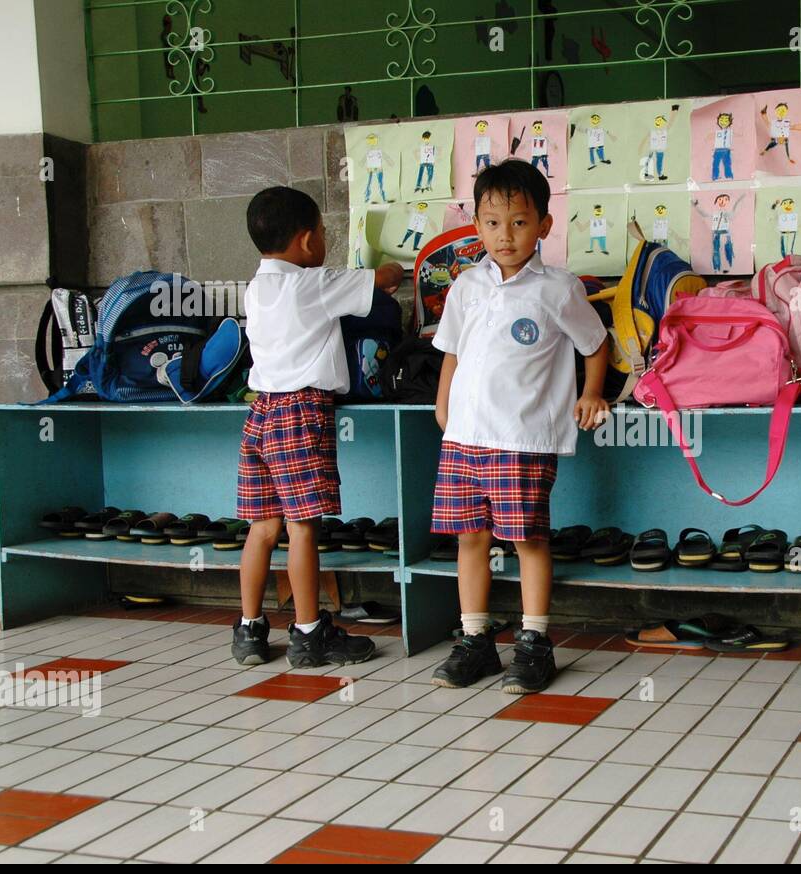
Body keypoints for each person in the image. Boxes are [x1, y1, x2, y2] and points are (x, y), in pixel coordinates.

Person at [429, 160, 609, 694]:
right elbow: (451, 352)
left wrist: (592, 392)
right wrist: (444, 408)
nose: (503, 236)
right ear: (477, 225)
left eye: (518, 223)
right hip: (464, 437)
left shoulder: (558, 288)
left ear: (544, 227)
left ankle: (533, 643)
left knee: (527, 539)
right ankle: (475, 641)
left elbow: (596, 345)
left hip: (522, 439)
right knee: (471, 539)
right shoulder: (465, 286)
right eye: (490, 223)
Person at [232, 186, 403, 668]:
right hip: (301, 413)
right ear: (307, 241)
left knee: (262, 528)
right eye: (325, 233)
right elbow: (383, 280)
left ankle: (249, 631)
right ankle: (309, 634)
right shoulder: (313, 282)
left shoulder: (257, 286)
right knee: (302, 528)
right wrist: (395, 267)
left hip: (260, 413)